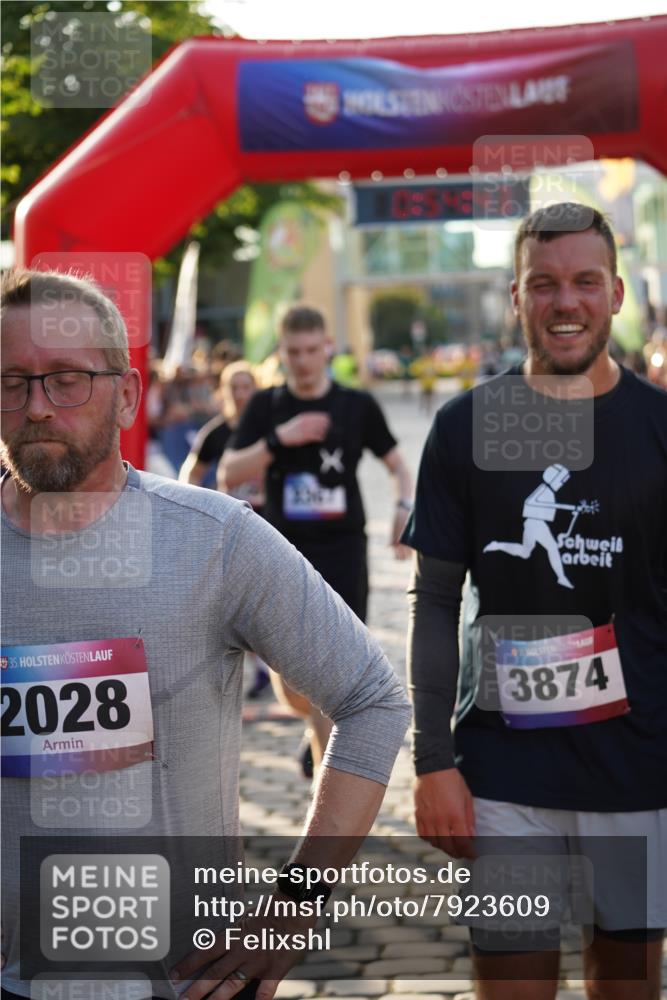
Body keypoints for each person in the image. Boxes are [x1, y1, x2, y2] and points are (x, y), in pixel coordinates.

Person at [0, 270, 411, 1000]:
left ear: (127, 395)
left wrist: (293, 911)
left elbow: (371, 699)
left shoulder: (213, 539)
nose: (36, 407)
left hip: (183, 981)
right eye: (11, 381)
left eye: (66, 379)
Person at [403, 203, 667, 1000]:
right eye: (542, 283)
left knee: (626, 981)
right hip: (504, 767)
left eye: (585, 281)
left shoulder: (659, 428)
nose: (565, 302)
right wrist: (432, 764)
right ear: (514, 297)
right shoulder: (464, 428)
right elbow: (434, 602)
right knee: (512, 981)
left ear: (616, 292)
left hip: (639, 765)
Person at [221, 305, 414, 773]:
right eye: (293, 352)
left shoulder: (355, 405)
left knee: (337, 672)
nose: (304, 362)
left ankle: (328, 774)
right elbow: (228, 473)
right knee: (291, 681)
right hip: (284, 552)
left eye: (312, 351)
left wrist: (404, 509)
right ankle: (319, 737)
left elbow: (398, 466)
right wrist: (278, 440)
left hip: (344, 550)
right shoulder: (267, 407)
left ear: (327, 347)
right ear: (281, 353)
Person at [179, 361, 270, 698]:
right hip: (233, 526)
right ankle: (257, 668)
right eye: (235, 387)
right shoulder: (216, 432)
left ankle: (269, 666)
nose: (241, 394)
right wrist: (204, 507)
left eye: (247, 387)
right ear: (224, 393)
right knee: (237, 599)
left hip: (271, 520)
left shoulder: (268, 429)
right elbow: (190, 474)